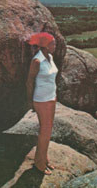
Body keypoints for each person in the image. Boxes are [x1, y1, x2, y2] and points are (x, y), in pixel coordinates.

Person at [26, 32, 58, 175]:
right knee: (44, 131)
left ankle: (44, 158)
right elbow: (29, 82)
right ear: (45, 45)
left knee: (48, 130)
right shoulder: (37, 61)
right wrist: (30, 101)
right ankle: (39, 163)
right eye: (53, 43)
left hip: (51, 97)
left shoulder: (49, 57)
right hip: (41, 99)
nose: (55, 46)